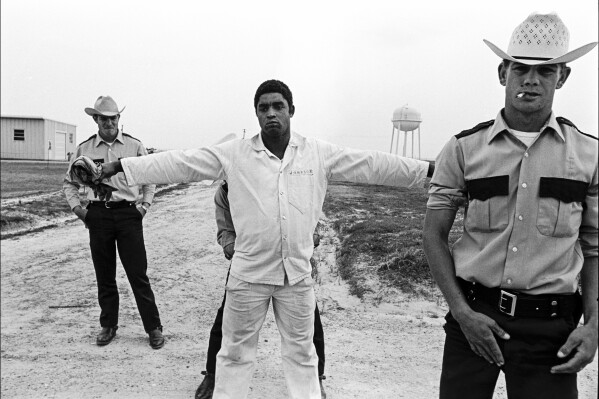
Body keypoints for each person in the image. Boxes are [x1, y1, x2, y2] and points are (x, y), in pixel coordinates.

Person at [100, 79, 434, 399]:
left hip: (297, 278)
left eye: (278, 106)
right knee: (233, 356)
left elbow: (372, 164)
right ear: (256, 113)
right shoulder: (235, 154)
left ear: (291, 110)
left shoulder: (317, 153)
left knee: (302, 356)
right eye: (263, 108)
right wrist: (118, 167)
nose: (270, 113)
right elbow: (181, 162)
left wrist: (429, 170)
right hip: (249, 277)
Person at [423, 12, 597, 399]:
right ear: (503, 73)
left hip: (551, 330)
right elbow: (433, 236)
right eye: (520, 68)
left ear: (562, 77)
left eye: (546, 71)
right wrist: (462, 314)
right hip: (474, 318)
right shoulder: (463, 148)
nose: (531, 80)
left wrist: (594, 325)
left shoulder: (590, 156)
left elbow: (595, 247)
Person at [195, 181, 327, 399]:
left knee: (309, 321)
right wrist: (232, 246)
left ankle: (317, 378)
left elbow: (311, 218)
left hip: (291, 262)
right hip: (250, 263)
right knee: (226, 321)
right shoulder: (227, 190)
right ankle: (213, 375)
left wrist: (308, 238)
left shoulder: (289, 181)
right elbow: (225, 227)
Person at [62, 95, 165, 349]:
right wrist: (78, 209)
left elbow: (149, 177)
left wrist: (144, 207)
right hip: (98, 215)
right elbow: (69, 182)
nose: (108, 122)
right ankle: (108, 325)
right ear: (95, 119)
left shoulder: (134, 146)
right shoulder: (85, 149)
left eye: (113, 118)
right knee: (104, 273)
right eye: (103, 118)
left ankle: (153, 328)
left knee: (137, 273)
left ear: (119, 119)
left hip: (129, 214)